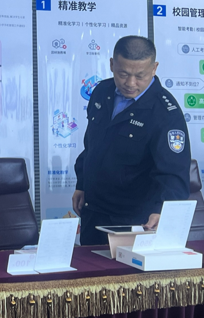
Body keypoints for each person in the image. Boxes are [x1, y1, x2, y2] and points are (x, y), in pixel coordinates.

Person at [73, 35, 190, 244]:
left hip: (134, 220)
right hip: (94, 212)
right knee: (89, 265)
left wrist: (163, 209)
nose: (130, 83)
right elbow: (91, 144)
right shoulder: (101, 92)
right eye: (123, 74)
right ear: (112, 64)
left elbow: (174, 171)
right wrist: (81, 183)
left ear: (154, 69)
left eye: (140, 76)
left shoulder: (165, 112)